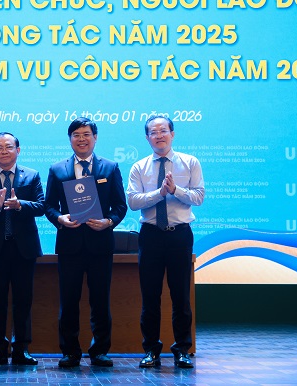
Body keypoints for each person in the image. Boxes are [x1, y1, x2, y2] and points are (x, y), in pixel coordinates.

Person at [44, 117, 127, 368]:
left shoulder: (110, 168)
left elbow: (120, 206)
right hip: (69, 245)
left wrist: (108, 222)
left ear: (95, 138)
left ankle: (99, 351)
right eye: (76, 135)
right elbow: (49, 206)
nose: (82, 139)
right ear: (70, 139)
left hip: (100, 245)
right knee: (68, 301)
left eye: (86, 134)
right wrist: (60, 218)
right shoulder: (57, 169)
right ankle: (70, 352)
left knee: (100, 300)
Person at [127, 115, 204, 369]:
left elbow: (199, 197)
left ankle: (182, 350)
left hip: (179, 235)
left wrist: (175, 191)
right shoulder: (139, 167)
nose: (159, 135)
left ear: (172, 134)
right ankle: (151, 350)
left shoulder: (190, 162)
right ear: (147, 137)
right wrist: (159, 193)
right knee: (150, 297)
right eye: (153, 132)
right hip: (150, 235)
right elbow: (133, 201)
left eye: (163, 130)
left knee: (181, 296)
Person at [0, 132, 45, 366]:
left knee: (23, 300)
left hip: (24, 249)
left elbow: (41, 206)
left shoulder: (32, 175)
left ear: (18, 150)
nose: (4, 151)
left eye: (9, 147)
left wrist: (20, 205)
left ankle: (22, 348)